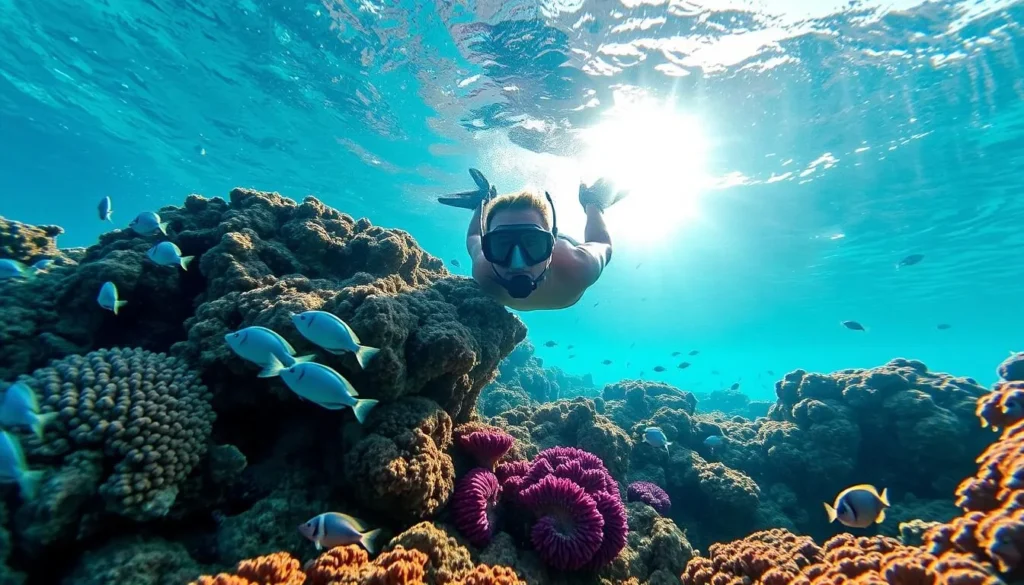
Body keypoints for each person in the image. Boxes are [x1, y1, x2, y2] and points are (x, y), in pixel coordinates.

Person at [439, 169, 626, 311]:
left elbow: (602, 245)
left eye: (533, 244)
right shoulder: (484, 269)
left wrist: (593, 204)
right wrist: (482, 203)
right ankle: (487, 198)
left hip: (564, 246)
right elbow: (475, 237)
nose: (517, 262)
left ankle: (589, 198)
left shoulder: (577, 266)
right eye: (502, 244)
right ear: (489, 248)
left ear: (551, 245)